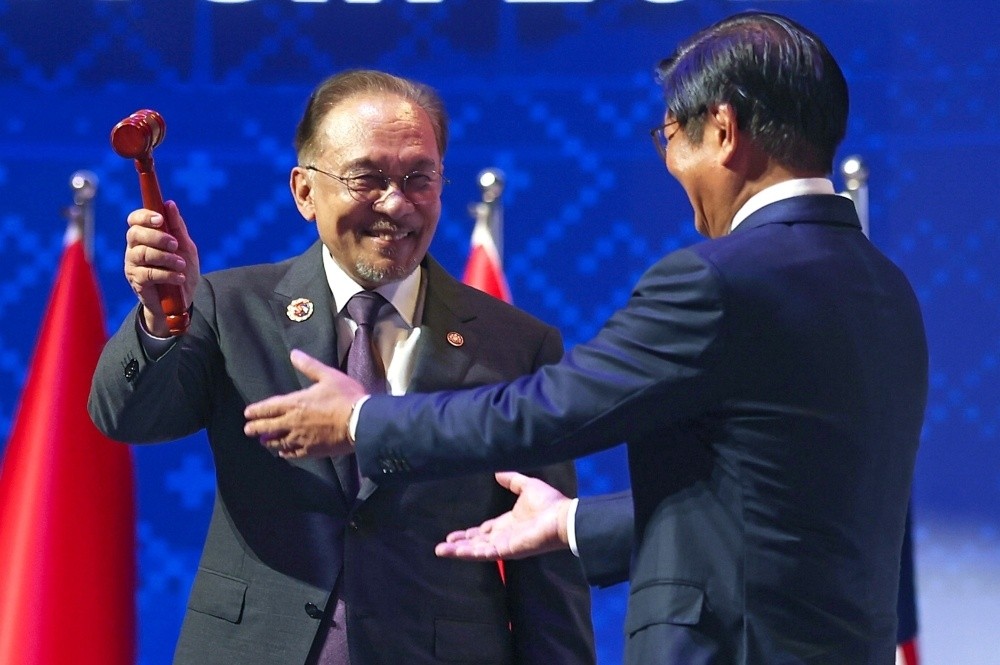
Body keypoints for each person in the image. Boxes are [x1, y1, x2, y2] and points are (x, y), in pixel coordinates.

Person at [243, 13, 930, 664]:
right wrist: (570, 522)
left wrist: (363, 421)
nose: (671, 164)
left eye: (670, 136)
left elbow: (550, 409)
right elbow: (780, 511)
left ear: (722, 129)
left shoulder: (720, 281)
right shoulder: (886, 288)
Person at [88, 70, 595, 665]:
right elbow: (127, 418)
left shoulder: (515, 345)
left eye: (419, 179)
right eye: (367, 178)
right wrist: (159, 319)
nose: (395, 204)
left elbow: (546, 568)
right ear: (305, 191)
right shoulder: (232, 307)